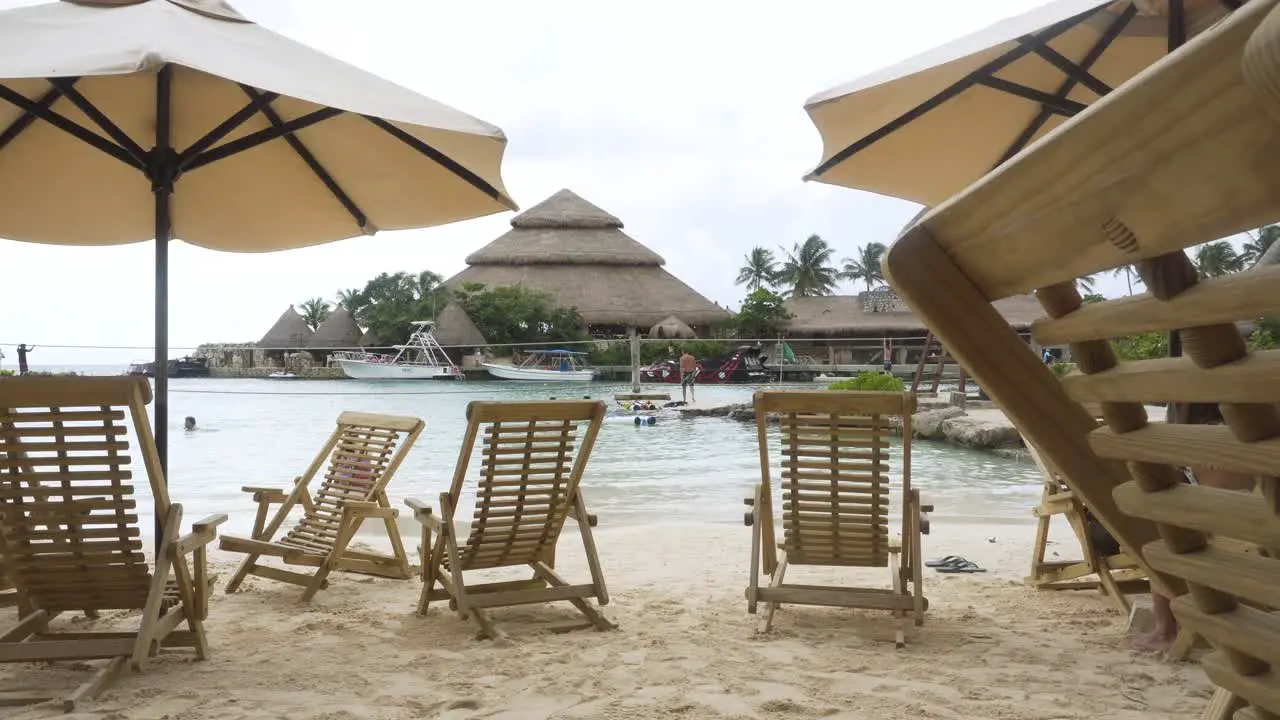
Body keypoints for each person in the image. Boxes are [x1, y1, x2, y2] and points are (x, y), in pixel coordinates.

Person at [1130, 402, 1257, 654]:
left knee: (1164, 534)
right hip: (1256, 530)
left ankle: (1165, 630)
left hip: (1216, 536)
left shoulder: (1192, 442)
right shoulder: (1252, 432)